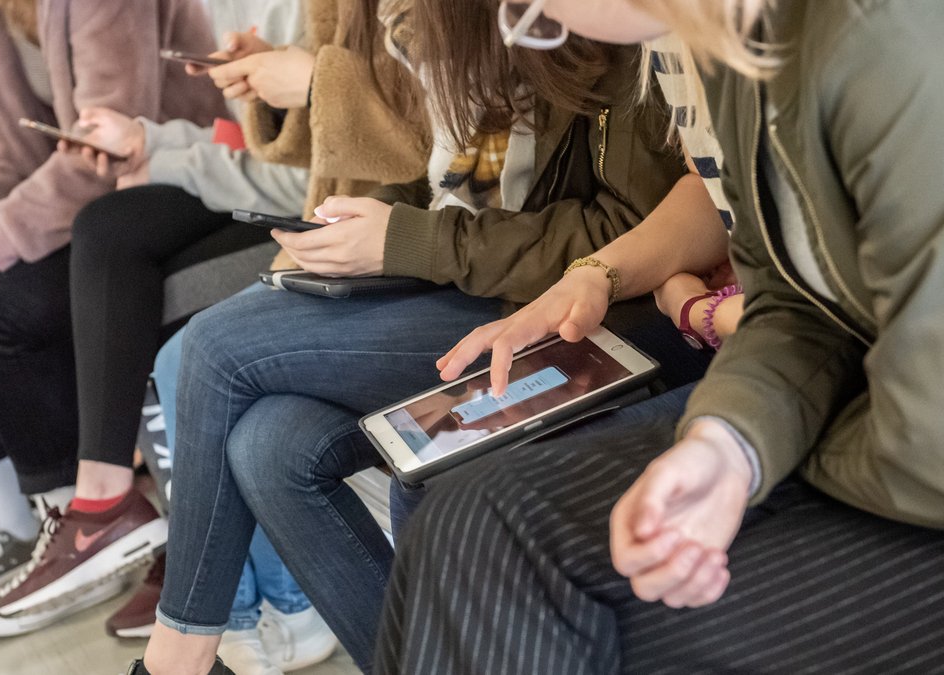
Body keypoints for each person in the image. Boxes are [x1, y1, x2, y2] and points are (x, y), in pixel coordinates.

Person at [375, 1, 944, 673]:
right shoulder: (741, 52)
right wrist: (728, 442)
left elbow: (927, 437)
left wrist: (756, 455)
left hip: (916, 468)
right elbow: (793, 302)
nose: (522, 17)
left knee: (518, 601)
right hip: (878, 427)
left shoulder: (878, 38)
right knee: (464, 522)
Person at [135, 0, 696, 671]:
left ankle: (174, 662)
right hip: (487, 280)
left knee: (210, 348)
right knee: (271, 444)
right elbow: (465, 188)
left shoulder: (606, 34)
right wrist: (373, 222)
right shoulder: (482, 43)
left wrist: (404, 237)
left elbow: (624, 235)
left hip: (585, 310)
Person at [55, 1, 430, 670]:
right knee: (263, 437)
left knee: (196, 351)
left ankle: (185, 644)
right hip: (378, 229)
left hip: (412, 244)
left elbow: (414, 153)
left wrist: (312, 85)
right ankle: (250, 609)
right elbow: (320, 154)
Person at [0, 0, 226, 631]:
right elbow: (1, 153)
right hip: (91, 200)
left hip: (185, 177)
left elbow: (108, 144)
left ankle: (96, 529)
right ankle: (32, 529)